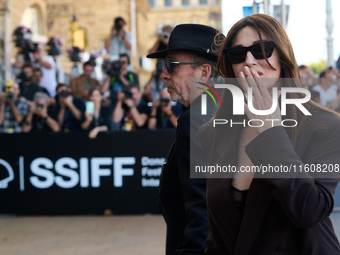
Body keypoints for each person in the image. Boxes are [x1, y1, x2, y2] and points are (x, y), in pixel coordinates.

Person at [198, 14, 340, 255]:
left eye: (262, 49)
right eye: (238, 54)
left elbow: (309, 210)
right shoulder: (214, 131)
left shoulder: (326, 126)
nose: (250, 61)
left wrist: (271, 132)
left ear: (283, 56)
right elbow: (221, 227)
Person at [146, 24, 224, 254]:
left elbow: (204, 210)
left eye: (173, 65)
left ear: (204, 72)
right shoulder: (218, 109)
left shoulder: (198, 119)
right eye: (164, 65)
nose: (164, 73)